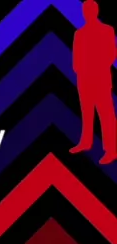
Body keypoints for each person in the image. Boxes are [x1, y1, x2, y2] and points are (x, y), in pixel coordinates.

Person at [70, 0, 116, 165]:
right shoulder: (79, 34)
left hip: (100, 79)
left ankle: (111, 150)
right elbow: (76, 57)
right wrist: (80, 71)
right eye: (85, 11)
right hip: (84, 79)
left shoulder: (107, 30)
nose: (86, 14)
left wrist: (95, 68)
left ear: (95, 12)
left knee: (106, 115)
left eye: (88, 10)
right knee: (87, 113)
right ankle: (85, 142)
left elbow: (111, 54)